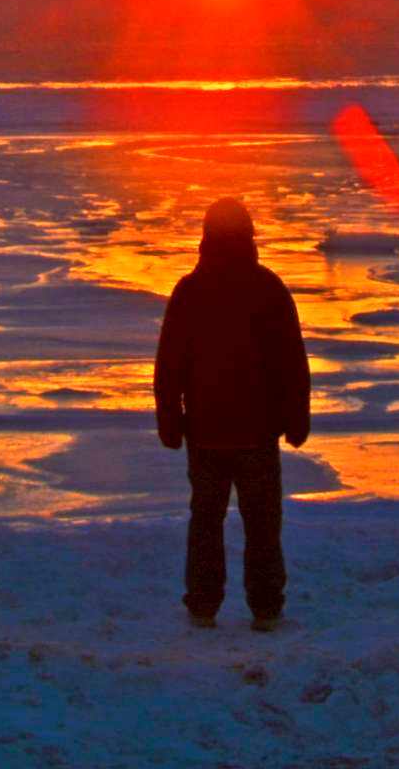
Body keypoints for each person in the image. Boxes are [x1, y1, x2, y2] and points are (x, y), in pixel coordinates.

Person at [152, 195, 310, 629]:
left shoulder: (192, 290)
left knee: (208, 521)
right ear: (249, 236)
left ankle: (206, 606)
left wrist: (169, 419)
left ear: (205, 237)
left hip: (209, 431)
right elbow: (292, 364)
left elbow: (169, 365)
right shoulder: (267, 287)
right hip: (251, 432)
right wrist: (297, 417)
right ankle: (263, 607)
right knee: (259, 524)